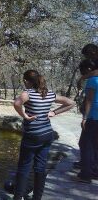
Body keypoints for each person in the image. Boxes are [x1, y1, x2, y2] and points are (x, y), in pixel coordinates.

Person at [13, 70, 74, 200]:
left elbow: (16, 104)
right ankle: (37, 197)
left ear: (26, 81)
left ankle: (17, 197)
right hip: (47, 134)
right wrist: (54, 112)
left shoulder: (27, 93)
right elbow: (71, 103)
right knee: (40, 167)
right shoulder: (49, 93)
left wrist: (24, 116)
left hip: (32, 135)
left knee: (24, 167)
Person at [77, 59, 98, 183]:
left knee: (85, 144)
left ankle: (86, 175)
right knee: (95, 144)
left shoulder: (92, 80)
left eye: (83, 71)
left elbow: (89, 101)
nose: (82, 73)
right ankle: (94, 170)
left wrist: (85, 117)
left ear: (89, 69)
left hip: (93, 116)